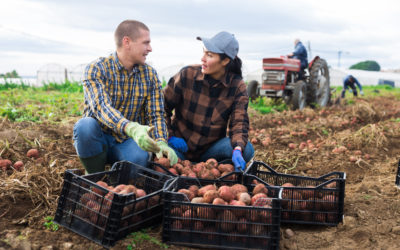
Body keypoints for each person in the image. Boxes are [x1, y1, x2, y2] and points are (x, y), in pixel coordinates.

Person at [73, 20, 177, 174]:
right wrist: (131, 127)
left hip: (127, 142)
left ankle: (117, 183)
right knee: (85, 127)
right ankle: (94, 176)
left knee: (139, 159)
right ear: (127, 42)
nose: (150, 48)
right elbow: (101, 107)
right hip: (100, 137)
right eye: (145, 43)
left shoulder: (150, 75)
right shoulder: (97, 69)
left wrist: (161, 142)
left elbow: (156, 114)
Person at [163, 31, 254, 171]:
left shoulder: (237, 86)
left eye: (209, 55)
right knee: (159, 153)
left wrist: (237, 149)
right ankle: (183, 166)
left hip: (210, 153)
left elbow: (239, 122)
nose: (202, 59)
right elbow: (162, 107)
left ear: (225, 61)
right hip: (178, 147)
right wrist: (168, 136)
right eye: (204, 52)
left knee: (246, 149)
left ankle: (211, 169)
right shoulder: (187, 75)